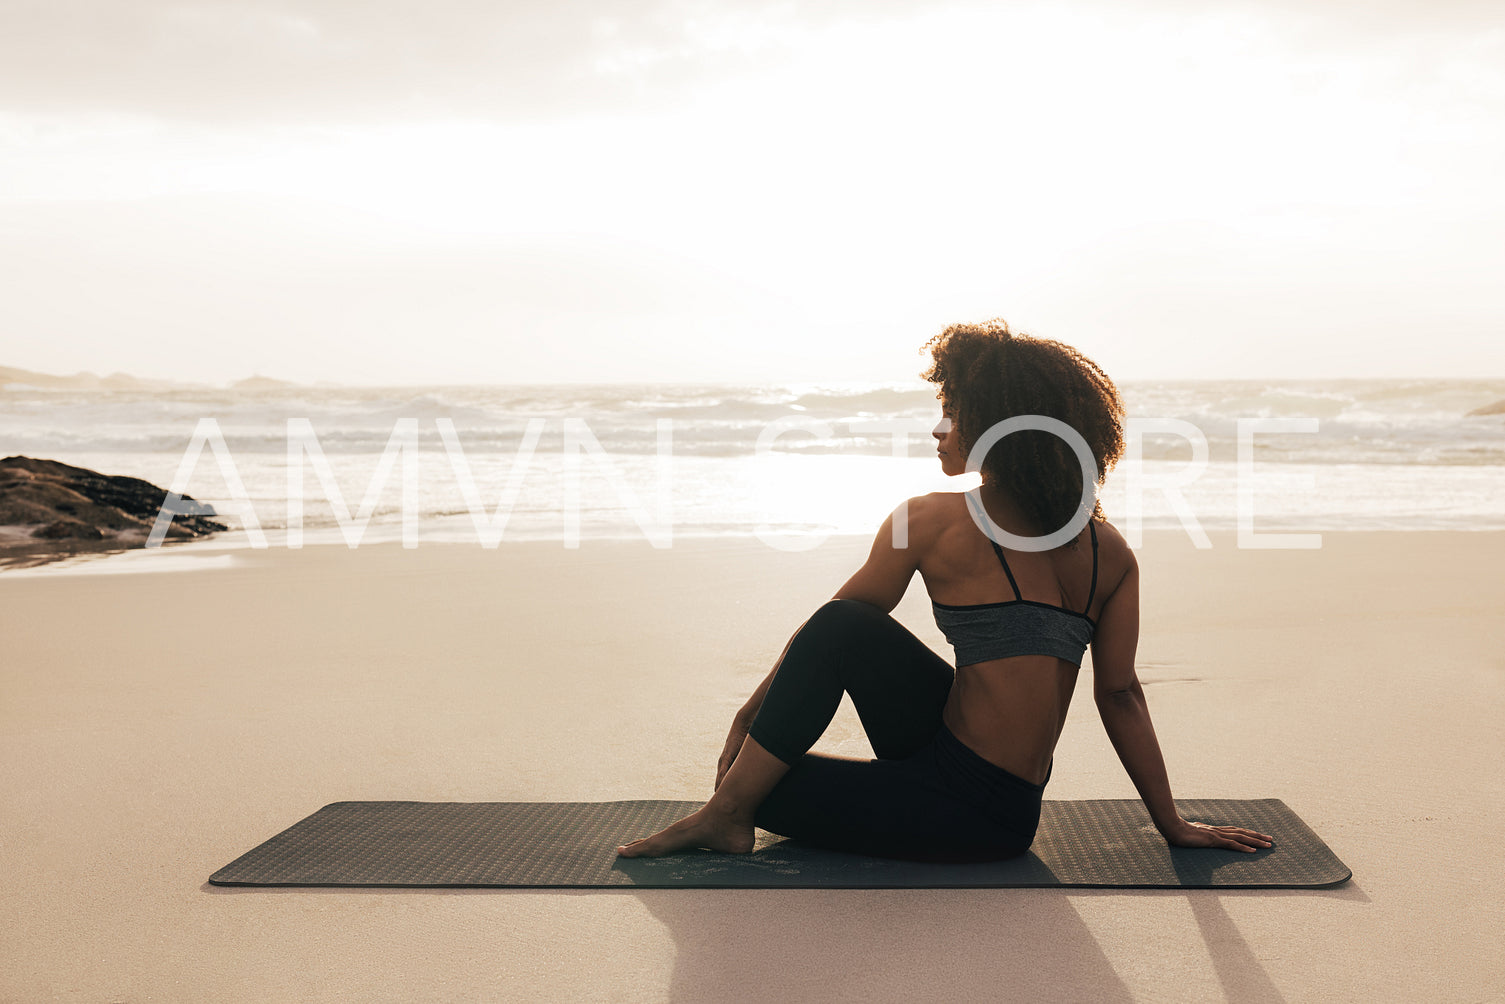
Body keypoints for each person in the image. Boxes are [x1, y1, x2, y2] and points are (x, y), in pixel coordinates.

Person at [617, 319, 1273, 861]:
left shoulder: (927, 520)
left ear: (1001, 430)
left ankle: (727, 815)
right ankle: (732, 805)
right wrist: (1171, 823)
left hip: (969, 819)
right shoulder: (1109, 552)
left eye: (953, 415)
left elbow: (828, 631)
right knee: (847, 626)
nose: (938, 431)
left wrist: (745, 729)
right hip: (1005, 804)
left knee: (766, 784)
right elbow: (1121, 694)